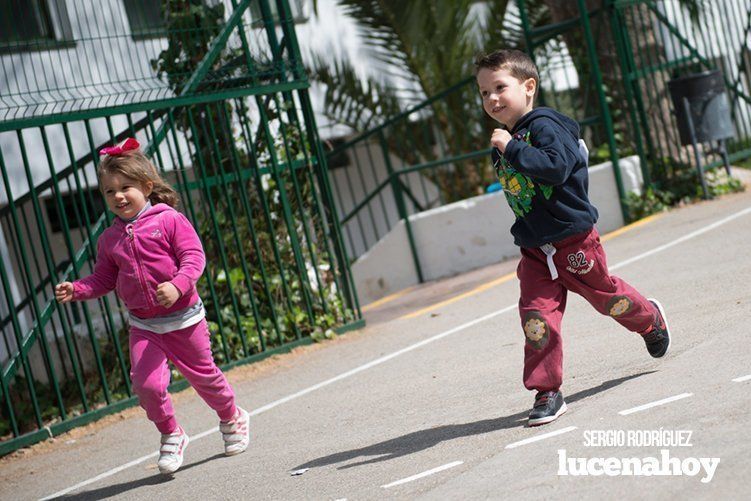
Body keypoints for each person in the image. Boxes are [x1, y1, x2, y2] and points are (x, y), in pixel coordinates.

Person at [475, 49, 671, 426]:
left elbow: (556, 168)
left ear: (528, 86)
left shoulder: (546, 126)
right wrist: (509, 146)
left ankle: (650, 320)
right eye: (484, 93)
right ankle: (546, 391)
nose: (492, 99)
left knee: (607, 298)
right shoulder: (508, 137)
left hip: (574, 243)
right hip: (535, 251)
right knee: (537, 319)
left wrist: (512, 148)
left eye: (500, 87)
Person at [55, 138, 250, 474]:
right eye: (109, 191)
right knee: (146, 386)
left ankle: (232, 417)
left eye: (125, 187)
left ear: (146, 187)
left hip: (185, 320)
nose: (118, 196)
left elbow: (194, 257)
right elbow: (103, 278)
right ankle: (171, 434)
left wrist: (177, 285)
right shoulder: (110, 239)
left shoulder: (169, 220)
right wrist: (78, 289)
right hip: (145, 326)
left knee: (205, 379)